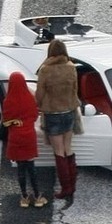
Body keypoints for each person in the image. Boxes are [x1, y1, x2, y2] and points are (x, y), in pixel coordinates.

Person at [35, 39, 79, 207]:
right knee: (68, 149)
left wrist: (39, 105)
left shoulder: (45, 70)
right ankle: (72, 186)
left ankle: (65, 188)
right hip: (69, 111)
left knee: (59, 151)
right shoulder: (71, 67)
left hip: (52, 113)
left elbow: (39, 93)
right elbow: (75, 90)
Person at [2, 72, 47, 208]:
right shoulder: (29, 98)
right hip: (29, 136)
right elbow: (34, 116)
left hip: (16, 138)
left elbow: (5, 122)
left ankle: (24, 197)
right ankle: (38, 196)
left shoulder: (7, 101)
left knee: (21, 170)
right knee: (31, 169)